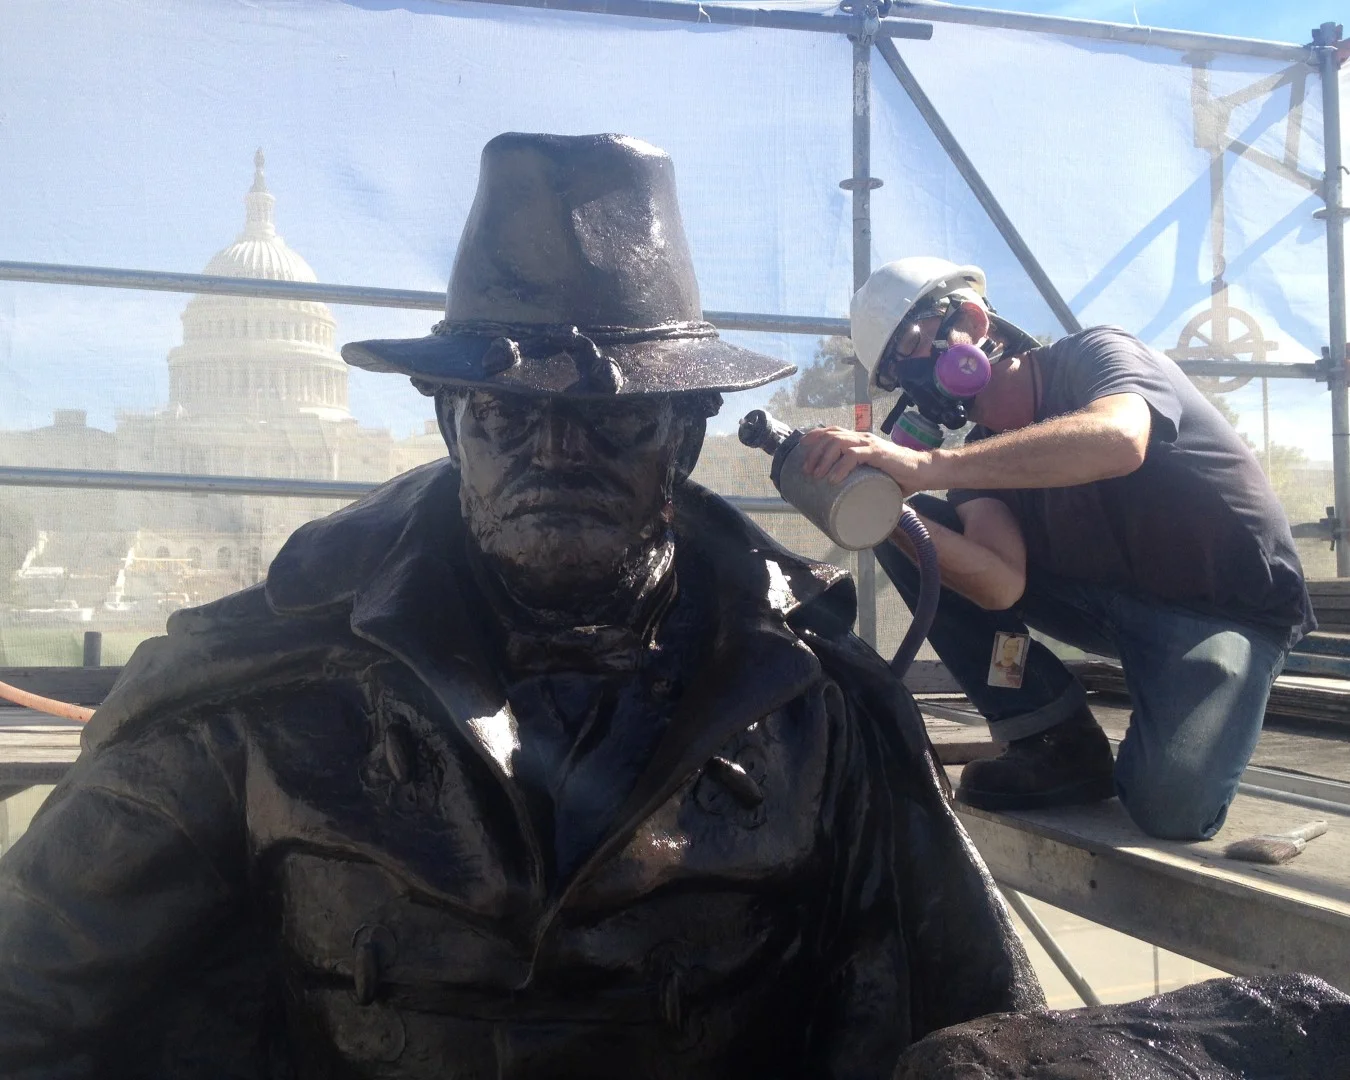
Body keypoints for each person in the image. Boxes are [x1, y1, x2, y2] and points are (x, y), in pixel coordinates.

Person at [0, 137, 1041, 1077]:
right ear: (453, 424)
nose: (555, 453)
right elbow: (33, 989)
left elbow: (950, 1018)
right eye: (509, 412)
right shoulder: (258, 688)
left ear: (682, 439)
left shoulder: (818, 713)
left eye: (610, 418)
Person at [798, 256, 1313, 842]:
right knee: (919, 539)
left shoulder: (1098, 356)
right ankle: (1051, 737)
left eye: (914, 347)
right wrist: (883, 512)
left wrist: (925, 463)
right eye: (898, 373)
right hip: (1107, 605)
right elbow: (999, 584)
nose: (916, 380)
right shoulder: (979, 460)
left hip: (1224, 611)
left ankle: (1207, 693)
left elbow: (1120, 440)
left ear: (971, 319)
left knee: (1170, 808)